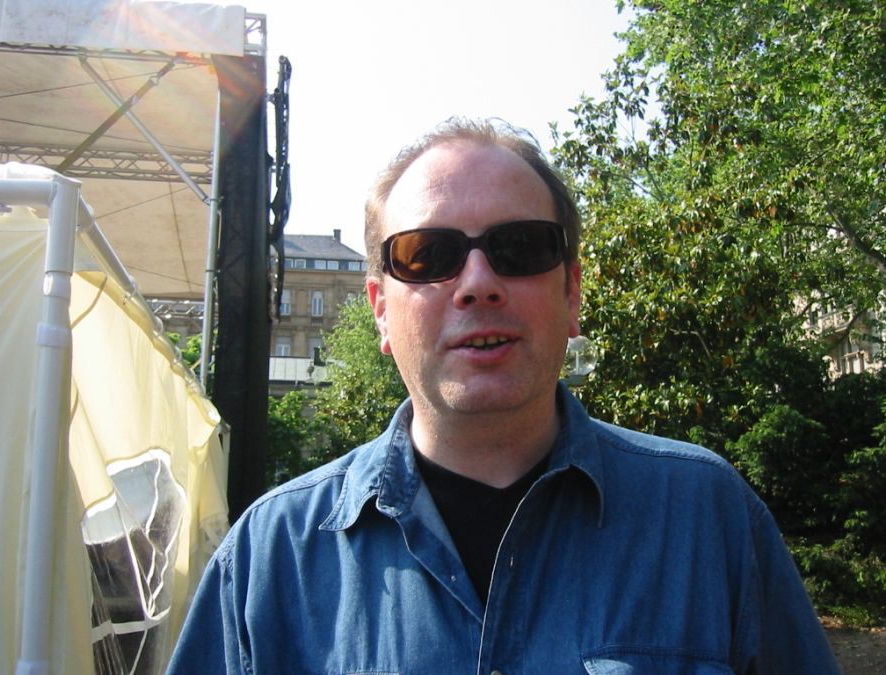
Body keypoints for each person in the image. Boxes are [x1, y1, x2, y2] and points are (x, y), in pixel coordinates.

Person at [168, 118, 839, 674]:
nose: (478, 283)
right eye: (427, 254)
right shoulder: (270, 559)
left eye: (518, 247)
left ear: (572, 294)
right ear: (380, 310)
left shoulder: (708, 520)